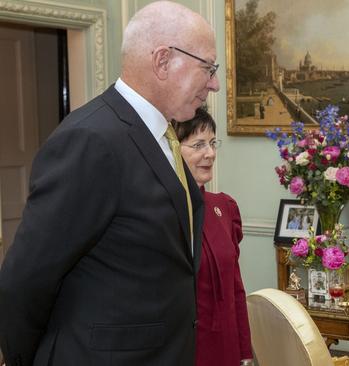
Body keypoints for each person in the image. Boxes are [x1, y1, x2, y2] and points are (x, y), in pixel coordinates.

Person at [0, 2, 219, 365]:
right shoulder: (92, 139)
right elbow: (25, 279)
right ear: (163, 61)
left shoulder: (160, 135)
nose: (214, 83)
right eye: (207, 68)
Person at [173, 107, 252, 366]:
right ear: (173, 150)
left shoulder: (224, 208)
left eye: (212, 143)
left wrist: (245, 354)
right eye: (198, 145)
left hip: (226, 348)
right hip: (183, 350)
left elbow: (236, 289)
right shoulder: (161, 214)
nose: (210, 154)